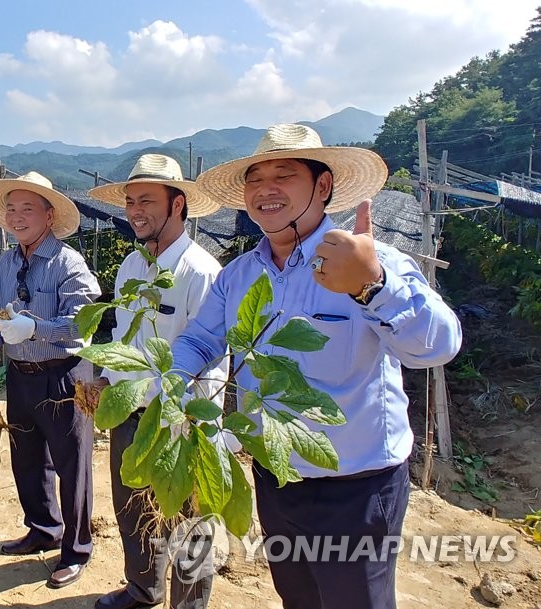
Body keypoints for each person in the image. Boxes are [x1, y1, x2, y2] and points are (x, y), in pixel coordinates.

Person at [172, 124, 463, 609]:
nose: (266, 189)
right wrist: (173, 382)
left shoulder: (370, 261)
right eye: (255, 178)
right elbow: (202, 339)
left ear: (323, 187)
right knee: (299, 598)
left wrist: (372, 285)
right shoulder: (240, 274)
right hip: (276, 477)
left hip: (356, 487)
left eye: (284, 175)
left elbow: (438, 347)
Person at [85, 154, 225, 609]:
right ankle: (143, 589)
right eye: (130, 201)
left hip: (184, 420)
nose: (135, 210)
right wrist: (105, 379)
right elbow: (125, 338)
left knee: (190, 524)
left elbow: (212, 356)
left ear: (177, 204)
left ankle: (188, 605)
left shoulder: (200, 271)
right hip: (131, 411)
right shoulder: (130, 267)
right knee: (133, 509)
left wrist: (197, 423)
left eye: (147, 199)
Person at [0, 171, 100, 588]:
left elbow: (83, 325)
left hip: (63, 376)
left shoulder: (68, 262)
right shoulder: (6, 262)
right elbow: (4, 315)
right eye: (11, 208)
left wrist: (36, 329)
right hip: (21, 377)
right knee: (27, 459)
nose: (17, 216)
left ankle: (77, 550)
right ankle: (44, 529)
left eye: (28, 208)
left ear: (49, 215)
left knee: (71, 464)